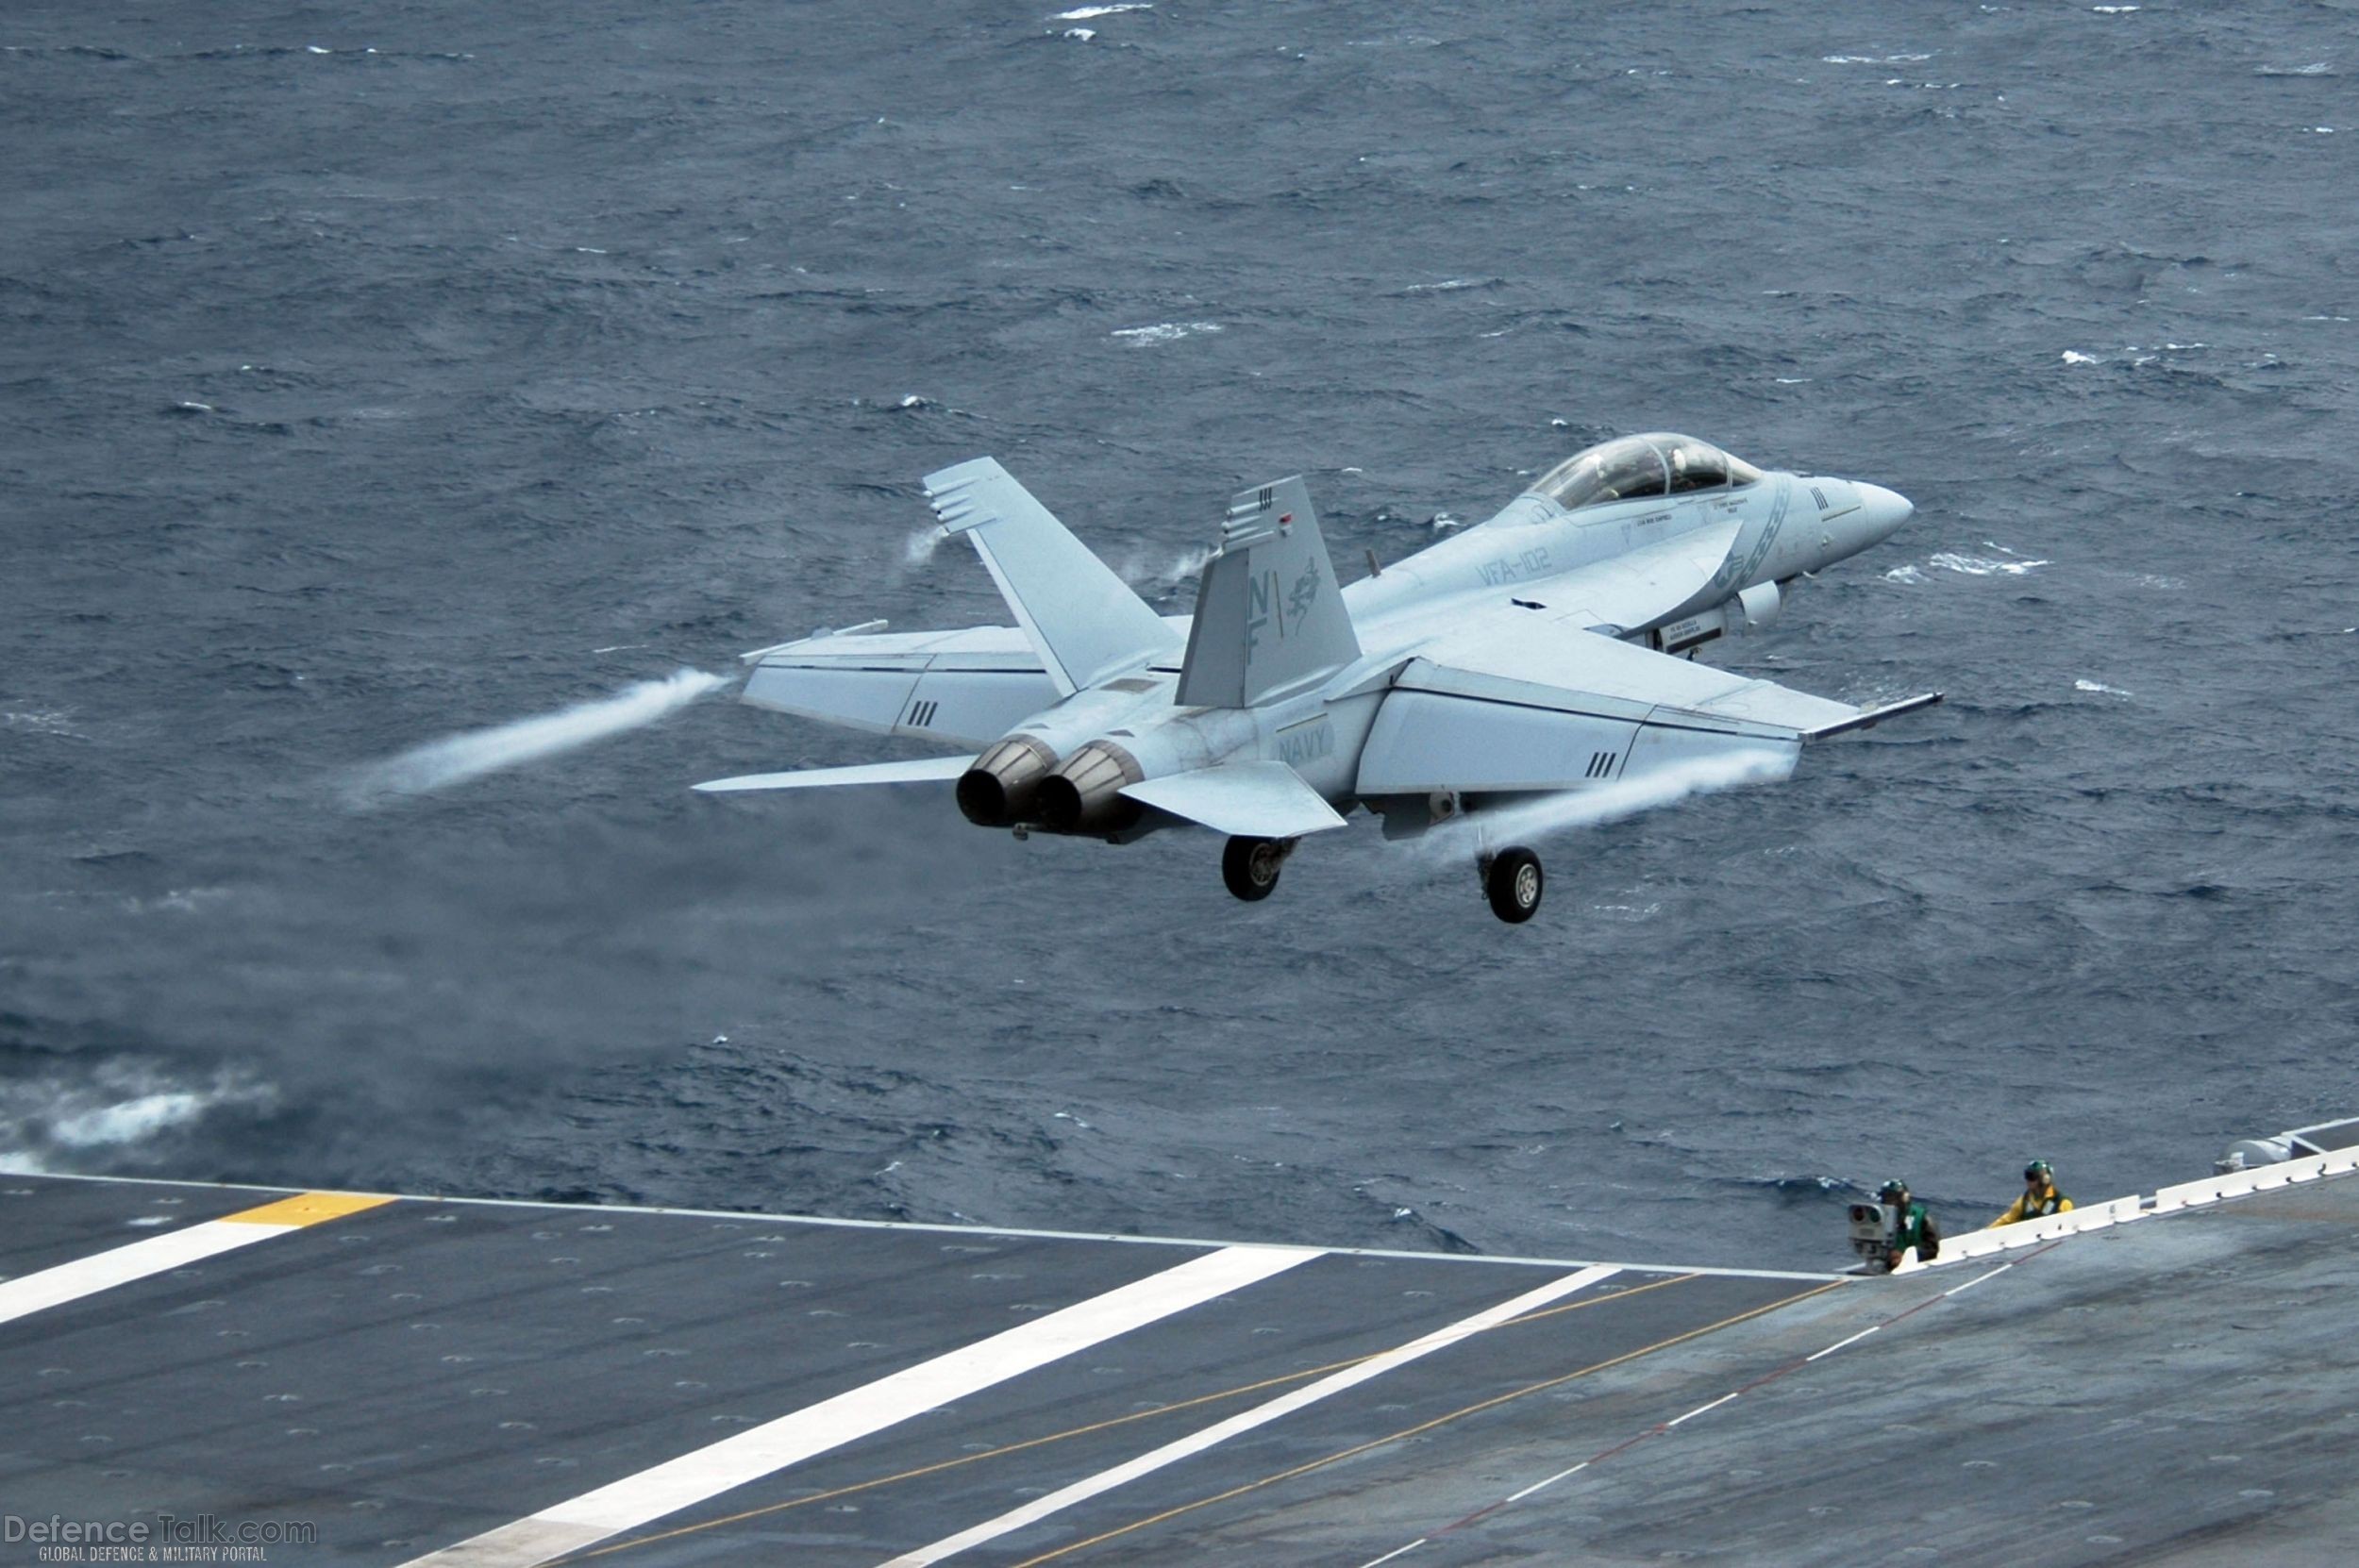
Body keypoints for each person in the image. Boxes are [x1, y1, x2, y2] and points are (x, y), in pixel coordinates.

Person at [1988, 1159, 2073, 1227]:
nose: (2028, 1181)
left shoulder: (2062, 1203)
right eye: (2027, 1176)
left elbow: (2068, 1228)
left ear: (2045, 1179)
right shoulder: (2024, 1200)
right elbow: (2007, 1220)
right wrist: (1986, 1232)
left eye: (2031, 1177)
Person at [1878, 1178, 1939, 1266]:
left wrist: (1905, 1257)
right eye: (1886, 1200)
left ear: (1904, 1199)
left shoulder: (1921, 1218)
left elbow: (1932, 1249)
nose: (1890, 1204)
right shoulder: (1878, 1219)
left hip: (1917, 1266)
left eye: (1893, 1200)